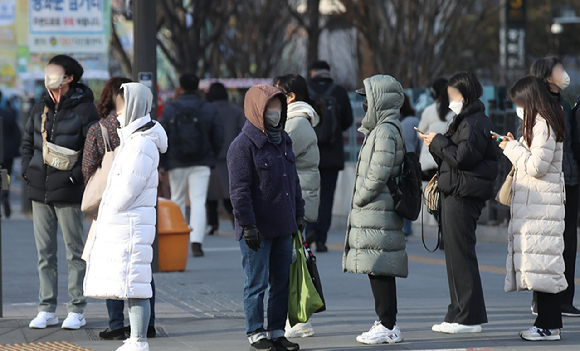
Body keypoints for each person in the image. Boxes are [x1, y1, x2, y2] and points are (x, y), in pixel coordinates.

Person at [83, 83, 168, 351]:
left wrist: (109, 204)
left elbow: (126, 190)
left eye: (121, 106)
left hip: (131, 225)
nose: (117, 113)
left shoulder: (140, 143)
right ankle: (135, 339)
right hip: (130, 225)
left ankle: (138, 340)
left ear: (133, 107)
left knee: (135, 284)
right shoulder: (134, 140)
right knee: (132, 284)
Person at [22, 55, 99, 330]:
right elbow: (27, 144)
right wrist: (27, 172)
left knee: (74, 252)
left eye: (54, 72)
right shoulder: (39, 106)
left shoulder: (85, 109)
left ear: (69, 78)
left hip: (68, 190)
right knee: (45, 253)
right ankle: (47, 308)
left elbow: (93, 151)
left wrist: (72, 177)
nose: (48, 76)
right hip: (39, 190)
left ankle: (77, 309)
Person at [227, 84, 305, 351]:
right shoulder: (242, 146)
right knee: (257, 283)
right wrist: (247, 224)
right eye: (269, 108)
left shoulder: (284, 139)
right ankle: (256, 333)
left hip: (284, 225)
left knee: (280, 282)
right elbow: (239, 190)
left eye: (278, 108)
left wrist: (299, 213)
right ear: (256, 110)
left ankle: (276, 331)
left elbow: (293, 181)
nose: (275, 113)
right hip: (257, 230)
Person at [420, 72, 498, 333]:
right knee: (455, 257)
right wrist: (436, 144)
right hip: (456, 192)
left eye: (453, 96)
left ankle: (469, 318)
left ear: (464, 96)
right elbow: (454, 158)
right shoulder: (465, 120)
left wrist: (439, 141)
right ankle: (457, 312)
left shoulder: (474, 122)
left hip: (464, 195)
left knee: (462, 256)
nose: (450, 100)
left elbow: (463, 158)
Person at [495, 76, 567, 341]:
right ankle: (548, 324)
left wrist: (512, 148)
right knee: (541, 267)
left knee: (544, 267)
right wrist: (517, 144)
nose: (517, 106)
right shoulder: (540, 123)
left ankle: (547, 326)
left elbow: (537, 167)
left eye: (518, 101)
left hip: (542, 206)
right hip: (539, 204)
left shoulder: (543, 125)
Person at [343, 75, 407, 345]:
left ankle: (387, 324)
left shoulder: (384, 131)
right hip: (378, 210)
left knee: (379, 266)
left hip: (377, 208)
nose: (364, 104)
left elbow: (377, 173)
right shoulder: (383, 128)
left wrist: (360, 198)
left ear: (380, 100)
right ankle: (386, 322)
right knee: (379, 266)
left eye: (367, 98)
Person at [530, 55, 580, 317]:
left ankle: (565, 299)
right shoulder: (537, 107)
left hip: (570, 182)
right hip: (549, 185)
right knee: (548, 244)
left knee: (568, 242)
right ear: (548, 77)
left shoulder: (566, 104)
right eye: (560, 69)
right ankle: (544, 299)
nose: (565, 73)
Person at [273, 73, 322, 339]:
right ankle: (298, 318)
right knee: (292, 261)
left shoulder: (296, 124)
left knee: (293, 263)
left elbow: (276, 154)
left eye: (276, 91)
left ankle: (300, 319)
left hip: (295, 200)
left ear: (290, 97)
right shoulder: (294, 122)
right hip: (296, 198)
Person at [159, 74, 224, 257]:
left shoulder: (170, 108)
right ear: (198, 87)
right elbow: (218, 134)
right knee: (198, 201)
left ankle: (177, 237)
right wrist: (212, 154)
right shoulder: (208, 107)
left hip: (175, 161)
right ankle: (196, 242)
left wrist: (163, 164)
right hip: (202, 161)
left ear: (180, 86)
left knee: (177, 199)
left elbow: (162, 135)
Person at [306, 60, 354, 252]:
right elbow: (348, 121)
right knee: (326, 198)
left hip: (309, 151)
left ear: (314, 72)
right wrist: (332, 132)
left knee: (308, 193)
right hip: (332, 154)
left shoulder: (306, 90)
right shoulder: (339, 92)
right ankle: (322, 238)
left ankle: (309, 229)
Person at [205, 82, 244, 235]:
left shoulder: (207, 110)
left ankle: (213, 224)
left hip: (212, 158)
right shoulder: (236, 111)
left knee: (211, 195)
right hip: (232, 157)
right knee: (231, 194)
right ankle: (237, 222)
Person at [418, 78, 454, 181]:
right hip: (448, 162)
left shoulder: (429, 110)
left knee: (428, 194)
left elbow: (420, 133)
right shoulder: (455, 111)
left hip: (428, 163)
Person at [399, 93, 421, 236]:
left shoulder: (397, 122)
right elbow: (419, 142)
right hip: (412, 161)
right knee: (409, 192)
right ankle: (407, 227)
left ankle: (404, 227)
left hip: (400, 161)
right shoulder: (414, 120)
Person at [0, 90, 21, 218]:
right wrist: (15, 148)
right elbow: (17, 134)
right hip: (7, 153)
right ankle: (5, 194)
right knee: (5, 176)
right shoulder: (9, 115)